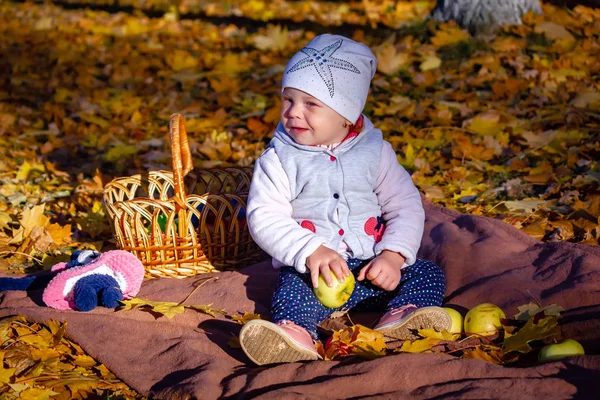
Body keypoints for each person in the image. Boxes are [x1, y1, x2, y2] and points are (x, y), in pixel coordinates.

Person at [239, 34, 452, 366]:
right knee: (290, 290)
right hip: (315, 276)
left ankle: (402, 317)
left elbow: (404, 204)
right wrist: (310, 251)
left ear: (346, 115)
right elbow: (264, 215)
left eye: (311, 104)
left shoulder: (374, 152)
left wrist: (394, 256)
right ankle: (296, 334)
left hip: (373, 271)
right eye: (288, 99)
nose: (293, 112)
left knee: (427, 273)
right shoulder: (278, 158)